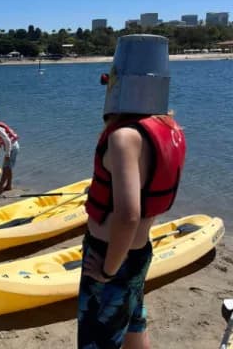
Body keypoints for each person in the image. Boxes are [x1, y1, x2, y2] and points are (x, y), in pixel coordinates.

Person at [78, 34, 186, 349]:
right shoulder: (171, 128)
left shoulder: (124, 137)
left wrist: (108, 270)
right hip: (139, 253)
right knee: (134, 324)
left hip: (111, 256)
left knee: (99, 340)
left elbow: (128, 215)